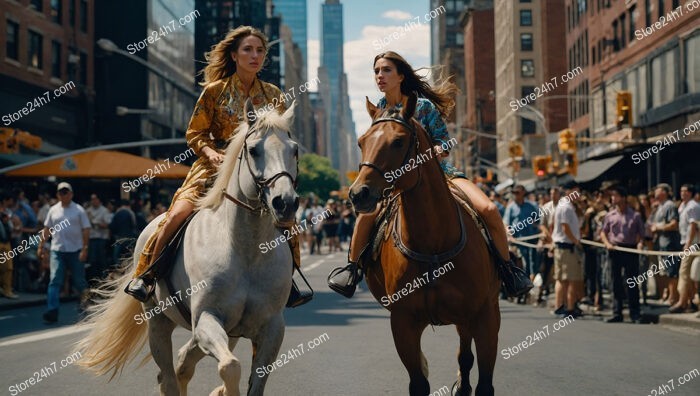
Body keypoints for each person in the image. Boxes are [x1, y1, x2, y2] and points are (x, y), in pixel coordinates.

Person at [125, 26, 311, 307]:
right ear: (234, 55)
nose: (255, 55)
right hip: (214, 166)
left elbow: (281, 137)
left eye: (260, 51)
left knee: (287, 219)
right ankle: (146, 275)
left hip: (258, 169)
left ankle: (291, 281)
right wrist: (211, 153)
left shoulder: (274, 94)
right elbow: (194, 134)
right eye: (248, 50)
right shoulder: (215, 91)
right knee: (178, 213)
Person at [328, 51, 531, 298]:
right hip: (393, 180)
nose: (380, 76)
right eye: (377, 71)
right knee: (366, 215)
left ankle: (508, 270)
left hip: (440, 174)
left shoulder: (423, 107)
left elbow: (445, 142)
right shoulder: (380, 109)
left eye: (386, 70)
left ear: (401, 76)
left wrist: (434, 151)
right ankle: (351, 269)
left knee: (488, 209)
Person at [37, 183, 91, 324]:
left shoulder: (79, 210)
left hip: (76, 250)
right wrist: (41, 246)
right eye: (61, 192)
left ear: (71, 194)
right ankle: (52, 310)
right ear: (57, 195)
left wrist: (85, 249)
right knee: (55, 280)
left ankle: (87, 306)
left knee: (79, 281)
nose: (63, 195)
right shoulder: (53, 210)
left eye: (66, 192)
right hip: (58, 250)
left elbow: (86, 229)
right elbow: (47, 228)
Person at [600, 186, 645, 323]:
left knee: (632, 282)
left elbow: (641, 234)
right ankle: (617, 312)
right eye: (612, 196)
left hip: (630, 250)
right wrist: (607, 243)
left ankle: (635, 313)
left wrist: (640, 244)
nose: (613, 199)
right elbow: (603, 232)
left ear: (623, 198)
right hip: (615, 250)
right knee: (616, 282)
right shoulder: (609, 215)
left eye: (616, 196)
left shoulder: (635, 215)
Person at [552, 182, 583, 318]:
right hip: (566, 246)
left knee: (562, 279)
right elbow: (565, 227)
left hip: (562, 246)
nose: (578, 195)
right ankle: (569, 307)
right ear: (569, 191)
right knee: (571, 278)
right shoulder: (566, 207)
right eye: (575, 192)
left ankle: (560, 305)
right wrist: (576, 241)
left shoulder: (564, 205)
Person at [670, 184, 699, 313]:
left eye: (686, 191)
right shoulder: (682, 206)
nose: (682, 193)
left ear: (691, 193)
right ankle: (691, 301)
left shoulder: (693, 206)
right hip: (686, 242)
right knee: (690, 275)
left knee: (684, 273)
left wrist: (688, 244)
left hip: (693, 244)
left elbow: (693, 225)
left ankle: (682, 302)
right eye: (681, 191)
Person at [651, 183, 681, 306]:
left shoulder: (670, 206)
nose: (655, 193)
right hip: (661, 244)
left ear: (664, 192)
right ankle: (668, 294)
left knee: (672, 271)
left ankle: (673, 297)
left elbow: (674, 224)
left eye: (657, 190)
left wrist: (658, 227)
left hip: (670, 244)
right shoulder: (660, 207)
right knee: (665, 271)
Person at [503, 185, 540, 282]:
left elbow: (538, 222)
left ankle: (531, 284)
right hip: (518, 242)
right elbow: (506, 224)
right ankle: (523, 284)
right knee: (522, 265)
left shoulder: (530, 206)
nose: (515, 195)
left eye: (517, 193)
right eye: (514, 193)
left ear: (523, 193)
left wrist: (537, 228)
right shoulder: (511, 208)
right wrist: (510, 235)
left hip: (531, 240)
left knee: (533, 264)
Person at [86, 194, 111, 281]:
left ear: (99, 200)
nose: (93, 201)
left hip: (101, 239)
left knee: (101, 261)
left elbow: (107, 224)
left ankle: (103, 280)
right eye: (92, 199)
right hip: (91, 239)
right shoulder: (88, 211)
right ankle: (93, 280)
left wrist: (95, 223)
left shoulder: (104, 211)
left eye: (95, 199)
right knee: (92, 261)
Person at [0, 190, 18, 299]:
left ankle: (7, 290)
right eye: (10, 200)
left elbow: (10, 225)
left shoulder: (7, 212)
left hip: (6, 242)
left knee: (8, 268)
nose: (11, 202)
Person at [109, 200, 137, 266]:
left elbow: (112, 226)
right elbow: (134, 225)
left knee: (117, 257)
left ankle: (118, 269)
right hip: (130, 238)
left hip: (119, 238)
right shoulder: (131, 213)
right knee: (129, 256)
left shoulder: (117, 213)